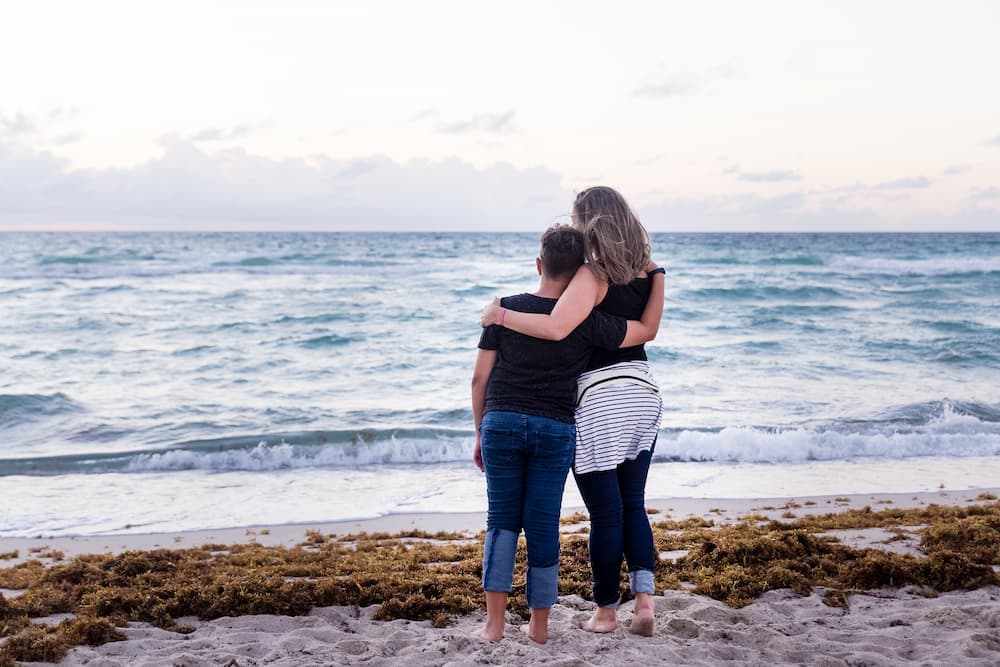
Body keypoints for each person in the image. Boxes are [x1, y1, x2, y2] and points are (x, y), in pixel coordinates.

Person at [480, 186, 664, 636]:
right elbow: (647, 331)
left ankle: (603, 611)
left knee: (602, 512)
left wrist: (499, 315)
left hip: (598, 399)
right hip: (642, 392)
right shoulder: (652, 271)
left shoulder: (593, 273)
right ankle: (644, 602)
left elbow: (559, 325)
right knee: (633, 504)